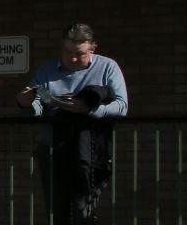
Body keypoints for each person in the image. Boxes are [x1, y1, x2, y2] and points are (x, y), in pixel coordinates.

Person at [15, 23, 129, 225]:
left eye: (80, 53)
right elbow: (38, 107)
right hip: (54, 150)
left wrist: (90, 109)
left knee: (82, 211)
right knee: (58, 211)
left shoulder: (107, 67)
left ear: (93, 48)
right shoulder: (47, 70)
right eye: (67, 52)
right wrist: (26, 103)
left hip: (91, 151)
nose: (72, 58)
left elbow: (122, 106)